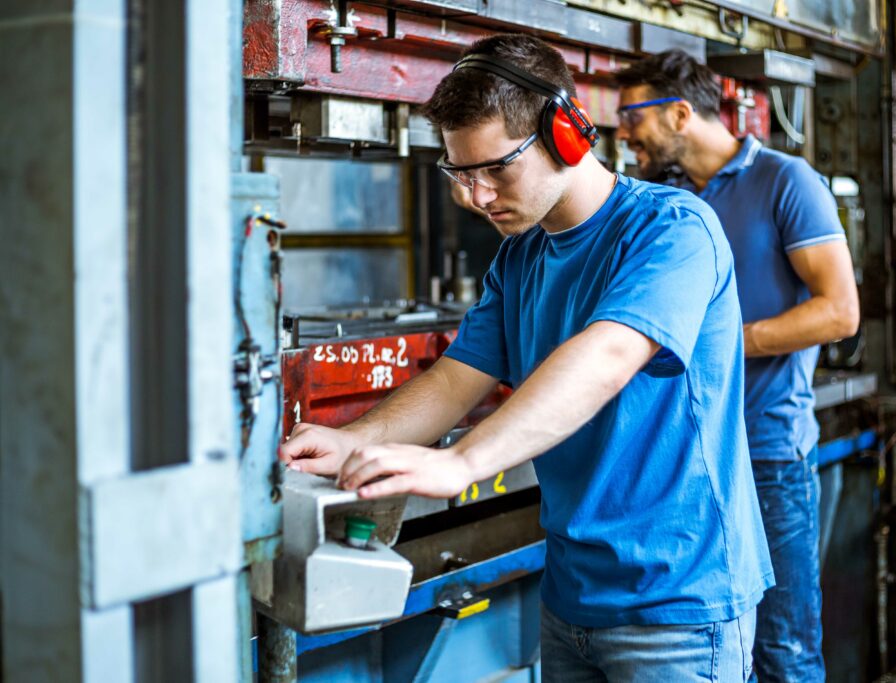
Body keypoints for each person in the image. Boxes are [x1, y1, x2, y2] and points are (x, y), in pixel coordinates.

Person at [280, 33, 773, 682]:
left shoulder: (672, 229)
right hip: (571, 596)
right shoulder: (520, 258)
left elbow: (609, 353)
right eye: (461, 173)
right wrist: (355, 441)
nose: (475, 197)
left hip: (677, 602)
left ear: (566, 133)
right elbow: (457, 377)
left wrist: (461, 461)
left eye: (496, 169)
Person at [613, 51, 860, 682]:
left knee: (784, 651)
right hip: (684, 464)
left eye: (629, 116)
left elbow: (839, 312)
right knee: (717, 656)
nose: (622, 133)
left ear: (678, 113)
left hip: (767, 457)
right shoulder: (664, 201)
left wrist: (723, 340)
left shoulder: (785, 180)